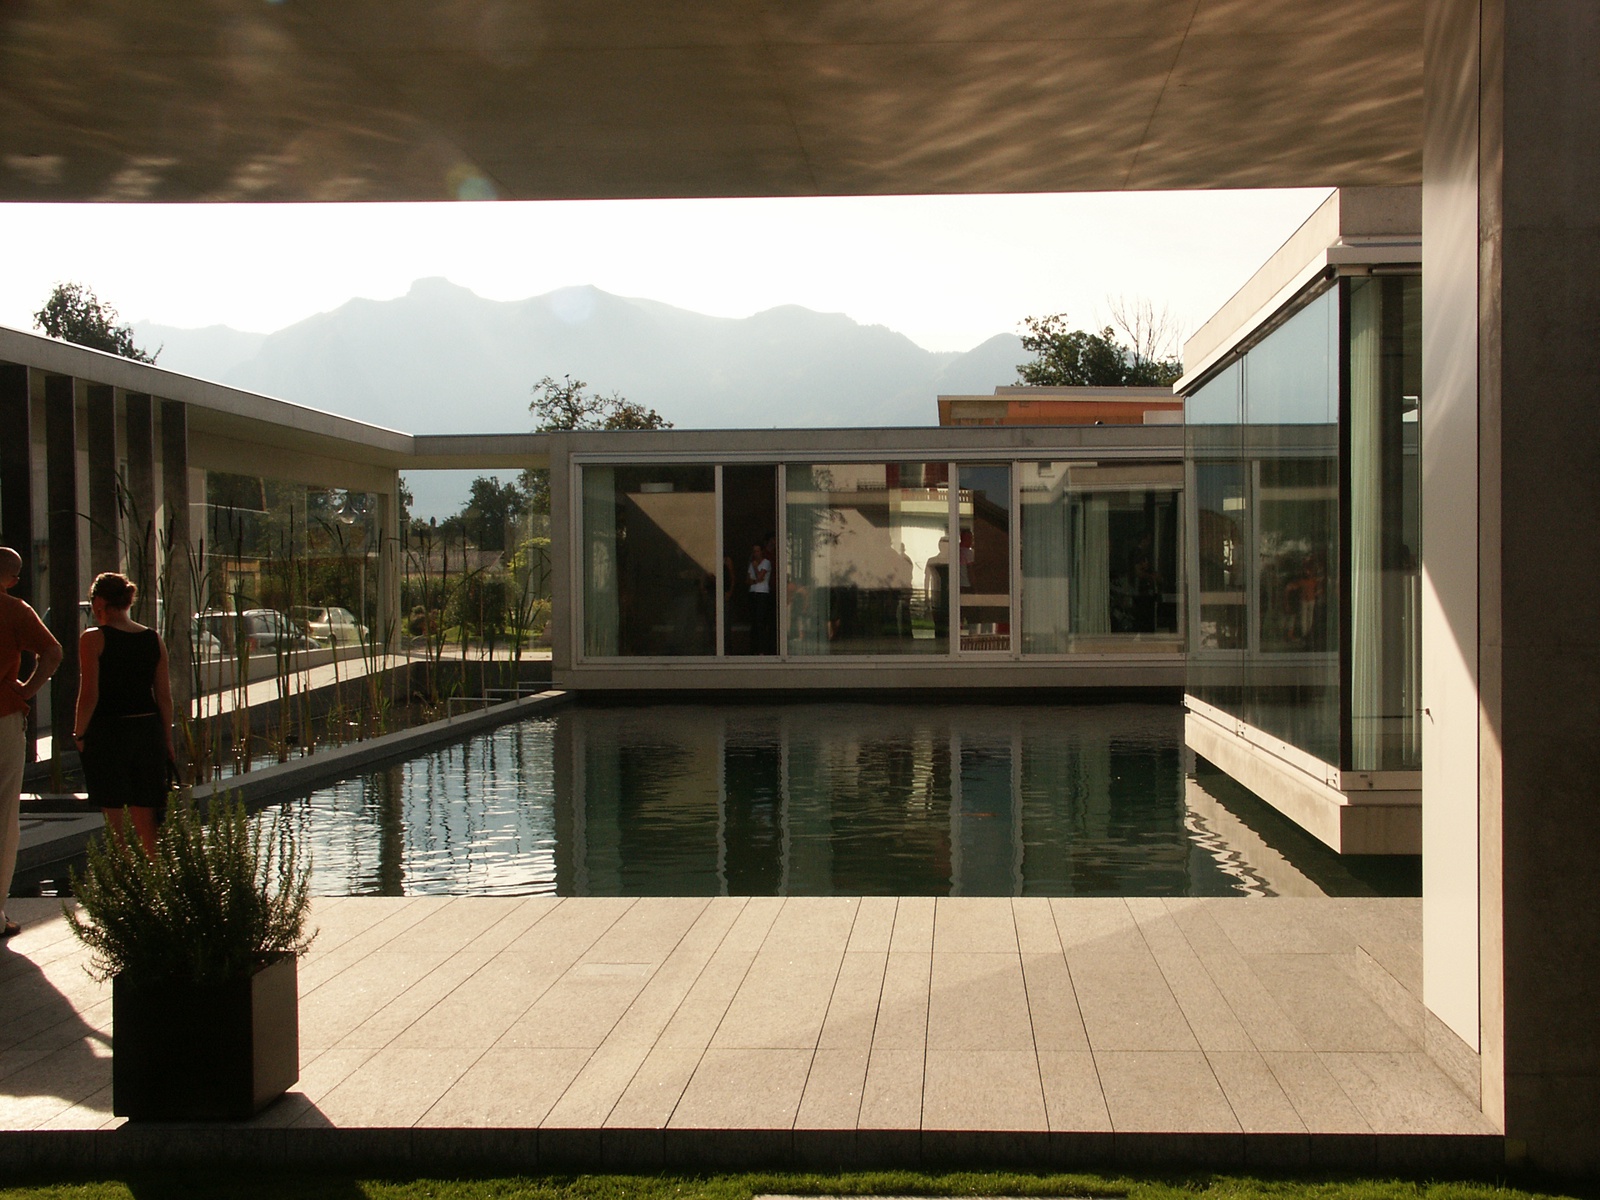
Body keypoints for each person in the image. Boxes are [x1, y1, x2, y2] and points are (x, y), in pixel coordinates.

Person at [73, 572, 175, 855]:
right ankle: (153, 875)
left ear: (99, 603)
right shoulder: (153, 638)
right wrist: (166, 738)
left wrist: (79, 733)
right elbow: (164, 697)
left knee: (114, 815)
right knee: (148, 815)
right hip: (148, 730)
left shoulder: (93, 638)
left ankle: (121, 874)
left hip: (109, 732)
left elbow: (89, 694)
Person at [0, 547, 63, 938]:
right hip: (3, 713)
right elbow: (53, 652)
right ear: (12, 578)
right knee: (4, 814)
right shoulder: (14, 610)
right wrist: (25, 689)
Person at [746, 541, 773, 654]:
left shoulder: (766, 562)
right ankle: (754, 649)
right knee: (753, 621)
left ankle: (762, 649)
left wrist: (756, 568)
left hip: (762, 593)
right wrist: (755, 580)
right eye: (754, 551)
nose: (756, 553)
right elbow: (748, 581)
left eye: (757, 551)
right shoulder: (751, 563)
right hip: (753, 593)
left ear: (761, 551)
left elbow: (760, 577)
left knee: (760, 621)